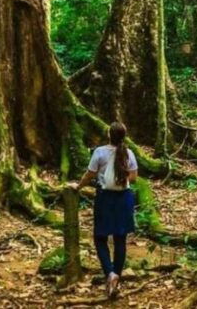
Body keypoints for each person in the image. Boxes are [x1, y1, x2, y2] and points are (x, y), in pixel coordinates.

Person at [72, 121, 137, 298]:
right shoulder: (129, 153)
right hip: (124, 198)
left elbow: (90, 174)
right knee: (120, 239)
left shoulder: (100, 152)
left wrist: (78, 186)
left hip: (105, 198)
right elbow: (134, 177)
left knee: (100, 236)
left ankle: (109, 273)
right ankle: (117, 275)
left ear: (109, 135)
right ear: (124, 136)